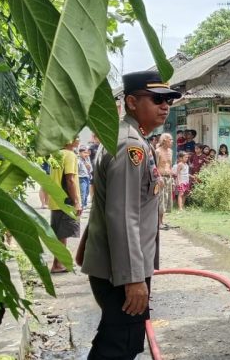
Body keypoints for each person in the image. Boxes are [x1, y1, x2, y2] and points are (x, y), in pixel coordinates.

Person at [80, 70, 181, 360]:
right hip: (121, 271)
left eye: (169, 101)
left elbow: (107, 200)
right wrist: (134, 279)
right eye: (157, 99)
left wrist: (87, 245)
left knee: (120, 339)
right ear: (132, 102)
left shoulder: (126, 137)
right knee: (119, 346)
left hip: (116, 265)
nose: (165, 106)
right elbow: (122, 214)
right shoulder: (131, 146)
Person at [49, 139, 82, 274]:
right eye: (76, 137)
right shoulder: (70, 155)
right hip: (65, 200)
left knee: (60, 234)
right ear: (69, 140)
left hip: (55, 199)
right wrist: (76, 201)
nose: (79, 140)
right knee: (63, 233)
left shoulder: (56, 154)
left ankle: (58, 263)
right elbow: (70, 179)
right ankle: (58, 264)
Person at [155, 133, 175, 228]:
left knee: (166, 200)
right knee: (160, 200)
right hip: (160, 177)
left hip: (168, 177)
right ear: (164, 140)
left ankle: (162, 221)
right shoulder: (158, 151)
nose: (172, 141)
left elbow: (170, 166)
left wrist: (173, 180)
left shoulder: (170, 151)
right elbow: (154, 166)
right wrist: (158, 178)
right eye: (170, 139)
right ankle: (158, 222)